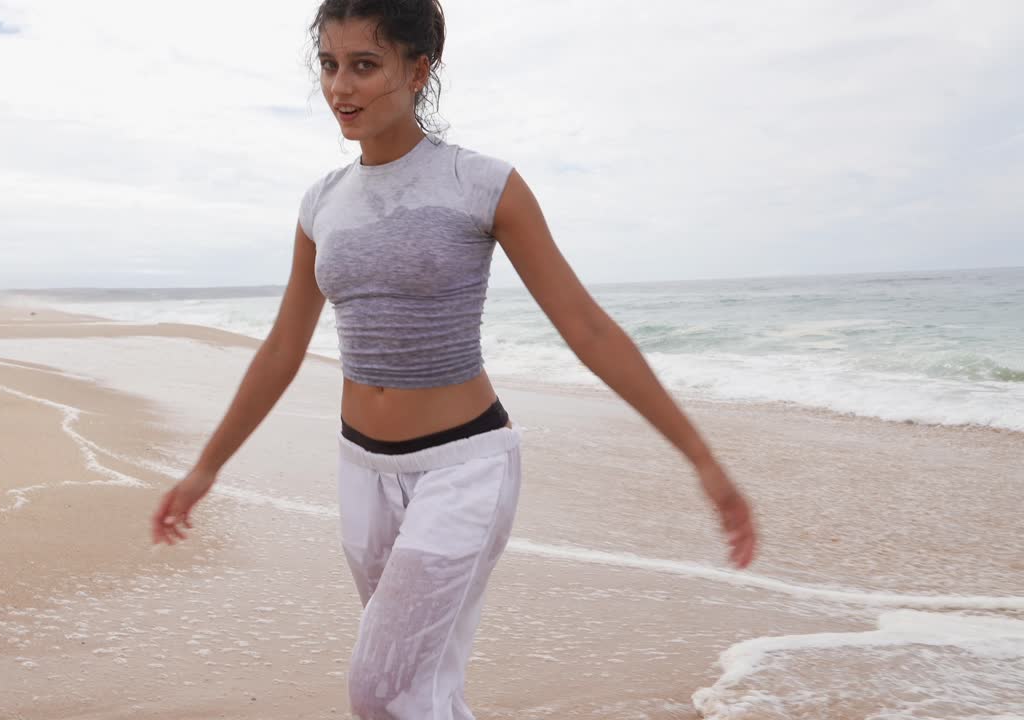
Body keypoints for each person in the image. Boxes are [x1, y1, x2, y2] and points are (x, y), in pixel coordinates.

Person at [152, 1, 757, 717]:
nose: (340, 88)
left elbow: (587, 329)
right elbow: (285, 347)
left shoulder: (483, 185)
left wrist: (701, 458)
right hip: (362, 470)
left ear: (418, 69)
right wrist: (206, 466)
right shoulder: (322, 203)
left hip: (465, 468)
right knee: (421, 688)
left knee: (380, 688)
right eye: (329, 65)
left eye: (364, 66)